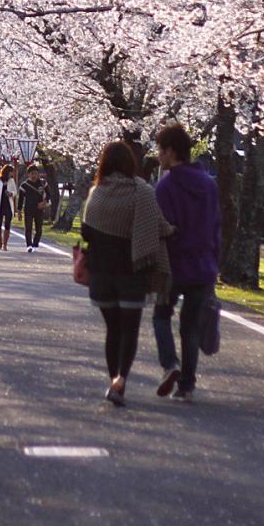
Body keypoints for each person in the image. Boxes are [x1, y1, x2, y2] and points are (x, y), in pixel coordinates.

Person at [81, 140, 172, 406]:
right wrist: (172, 231)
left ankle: (114, 380)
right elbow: (157, 226)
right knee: (129, 330)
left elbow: (86, 232)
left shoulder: (97, 192)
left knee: (113, 329)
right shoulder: (141, 192)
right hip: (132, 272)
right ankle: (121, 380)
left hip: (101, 274)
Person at [151, 126, 221, 401]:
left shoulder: (166, 186)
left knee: (160, 315)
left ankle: (170, 364)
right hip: (203, 265)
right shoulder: (208, 184)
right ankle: (187, 387)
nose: (158, 156)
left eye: (160, 151)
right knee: (190, 326)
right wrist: (215, 263)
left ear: (170, 152)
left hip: (173, 265)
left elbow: (162, 227)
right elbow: (217, 226)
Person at [0, 164, 19, 251]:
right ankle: (0, 241)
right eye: (11, 172)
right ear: (6, 172)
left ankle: (5, 244)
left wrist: (11, 193)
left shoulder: (11, 181)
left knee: (7, 225)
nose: (12, 174)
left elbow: (15, 192)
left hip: (8, 205)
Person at [19, 166, 48, 253]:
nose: (34, 175)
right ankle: (29, 245)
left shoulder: (43, 183)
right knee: (28, 228)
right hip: (28, 209)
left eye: (35, 173)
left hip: (39, 209)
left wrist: (44, 203)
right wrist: (19, 211)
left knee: (39, 229)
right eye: (32, 173)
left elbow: (49, 195)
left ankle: (35, 244)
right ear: (28, 174)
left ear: (38, 174)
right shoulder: (24, 185)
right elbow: (20, 199)